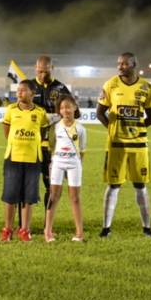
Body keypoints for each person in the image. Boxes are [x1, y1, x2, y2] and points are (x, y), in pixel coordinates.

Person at [96, 52, 151, 238]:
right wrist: (112, 129)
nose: (120, 66)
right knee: (113, 185)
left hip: (138, 145)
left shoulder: (146, 87)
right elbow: (100, 113)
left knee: (140, 185)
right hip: (116, 145)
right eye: (119, 63)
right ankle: (106, 228)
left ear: (134, 64)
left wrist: (138, 129)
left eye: (124, 63)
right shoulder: (110, 85)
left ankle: (147, 228)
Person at [0, 79, 49, 242]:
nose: (19, 92)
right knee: (10, 196)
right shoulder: (11, 110)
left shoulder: (40, 113)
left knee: (29, 197)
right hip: (13, 157)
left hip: (33, 159)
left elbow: (43, 133)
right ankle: (7, 230)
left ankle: (25, 230)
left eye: (23, 90)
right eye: (18, 90)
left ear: (32, 93)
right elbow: (7, 132)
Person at [31, 56, 74, 215]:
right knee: (28, 185)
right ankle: (24, 225)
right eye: (40, 71)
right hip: (31, 144)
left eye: (46, 71)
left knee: (51, 185)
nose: (43, 75)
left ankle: (47, 223)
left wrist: (57, 116)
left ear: (52, 68)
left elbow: (75, 111)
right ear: (36, 68)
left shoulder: (60, 88)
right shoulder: (30, 86)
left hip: (53, 147)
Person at [44, 95, 87, 242]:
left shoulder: (81, 128)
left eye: (68, 107)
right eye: (62, 108)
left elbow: (82, 151)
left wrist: (77, 165)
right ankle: (48, 231)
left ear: (75, 107)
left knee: (75, 198)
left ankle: (79, 233)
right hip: (57, 164)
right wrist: (54, 162)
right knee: (54, 196)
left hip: (74, 164)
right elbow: (51, 146)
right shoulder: (55, 127)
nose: (65, 110)